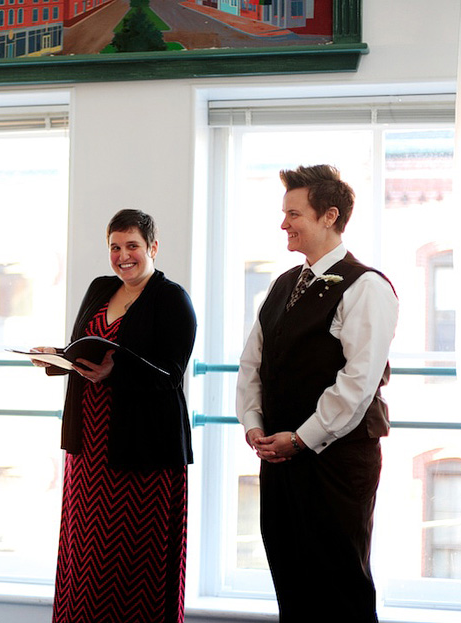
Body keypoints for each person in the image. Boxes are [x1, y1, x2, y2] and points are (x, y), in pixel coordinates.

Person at [236, 165, 398, 622]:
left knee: (339, 583)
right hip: (279, 456)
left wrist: (302, 438)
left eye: (293, 214)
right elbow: (253, 362)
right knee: (291, 580)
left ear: (329, 216)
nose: (283, 223)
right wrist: (254, 425)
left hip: (338, 462)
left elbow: (358, 382)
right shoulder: (285, 282)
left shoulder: (367, 286)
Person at [31, 209, 197, 623]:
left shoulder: (171, 298)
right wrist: (58, 359)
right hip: (89, 449)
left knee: (133, 565)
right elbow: (82, 348)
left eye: (133, 246)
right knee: (85, 559)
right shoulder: (100, 288)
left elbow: (172, 375)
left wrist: (115, 372)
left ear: (153, 248)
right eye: (115, 247)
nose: (123, 256)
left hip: (142, 455)